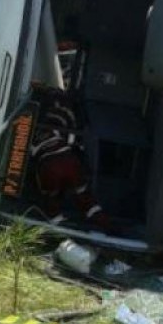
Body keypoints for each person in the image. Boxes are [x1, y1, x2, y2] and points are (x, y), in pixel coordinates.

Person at [30, 85, 110, 230]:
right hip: (70, 161)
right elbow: (74, 141)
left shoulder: (31, 126)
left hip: (49, 166)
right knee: (83, 195)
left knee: (51, 199)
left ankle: (60, 229)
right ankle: (104, 223)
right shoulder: (65, 116)